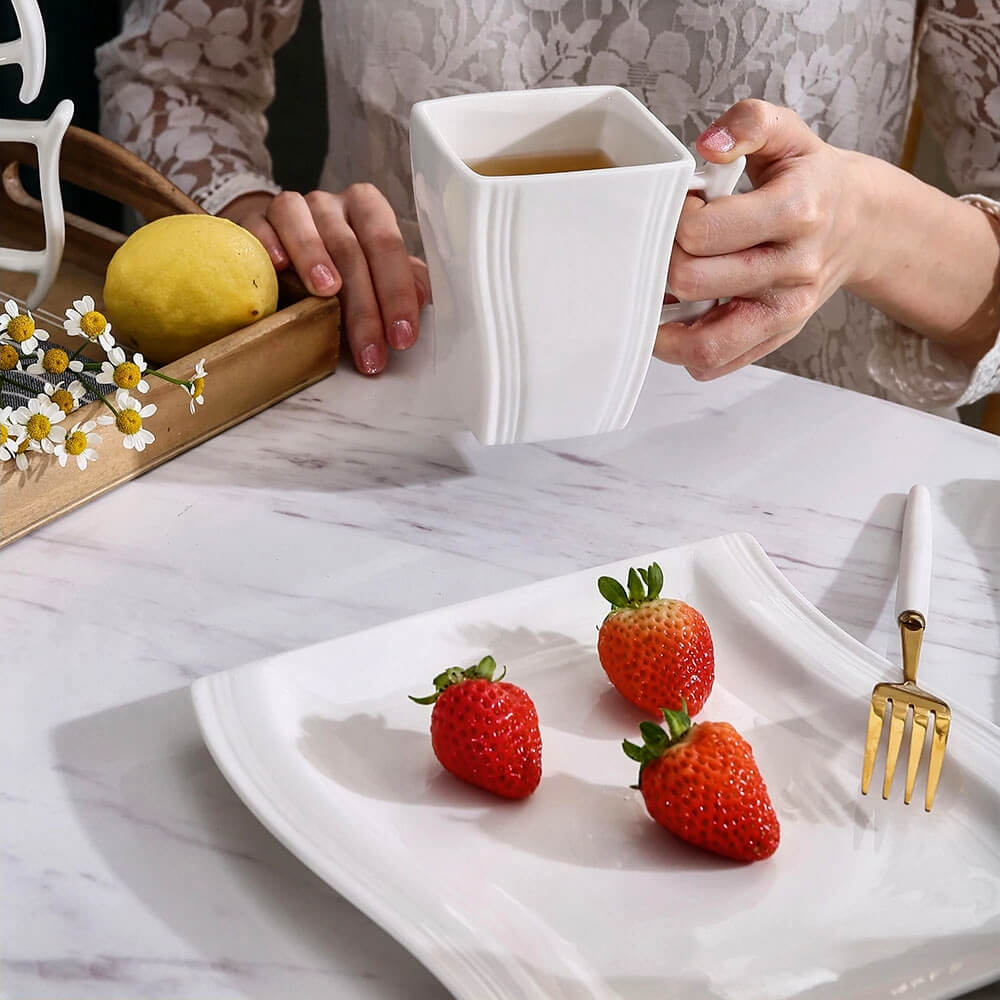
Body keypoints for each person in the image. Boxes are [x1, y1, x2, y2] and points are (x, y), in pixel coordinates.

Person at [96, 0, 1000, 415]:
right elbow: (175, 73)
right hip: (381, 443)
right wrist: (255, 227)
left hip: (795, 499)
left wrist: (870, 226)